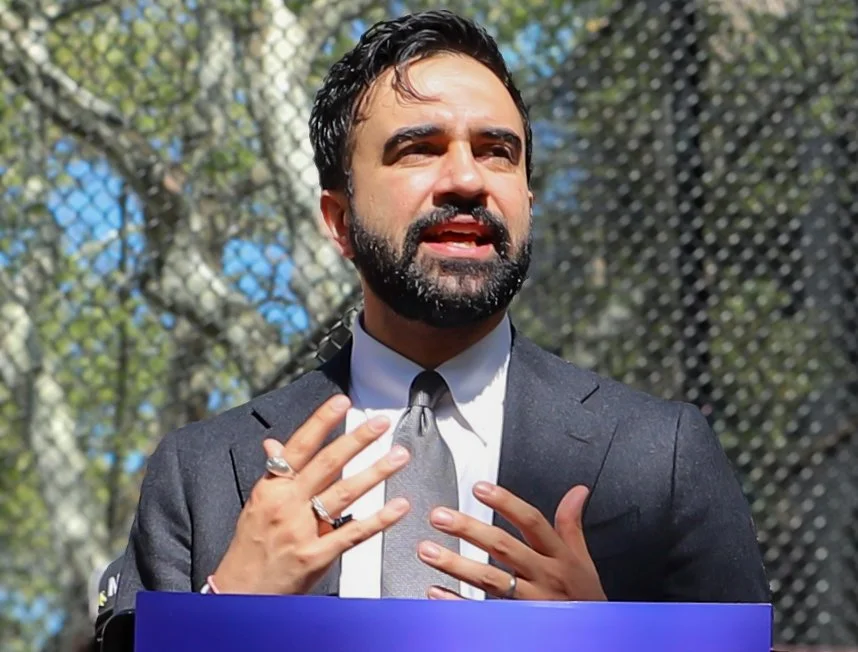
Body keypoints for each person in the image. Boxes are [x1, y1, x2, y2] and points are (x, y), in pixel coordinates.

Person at [113, 9, 768, 621]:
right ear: (339, 222)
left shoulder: (662, 459)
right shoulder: (201, 476)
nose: (467, 179)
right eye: (419, 148)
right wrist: (227, 607)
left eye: (496, 150)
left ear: (528, 202)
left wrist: (603, 650)